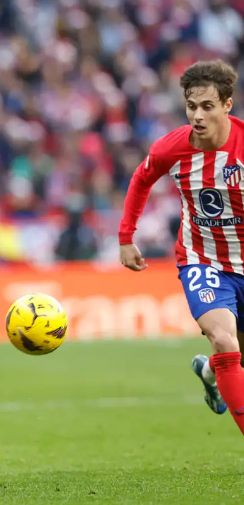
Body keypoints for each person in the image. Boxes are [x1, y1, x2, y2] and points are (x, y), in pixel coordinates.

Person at [119, 59, 244, 430]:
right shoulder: (170, 149)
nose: (198, 115)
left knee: (234, 355)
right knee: (223, 340)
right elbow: (140, 181)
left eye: (207, 106)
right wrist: (126, 237)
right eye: (192, 106)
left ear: (227, 104)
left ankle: (210, 373)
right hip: (201, 261)